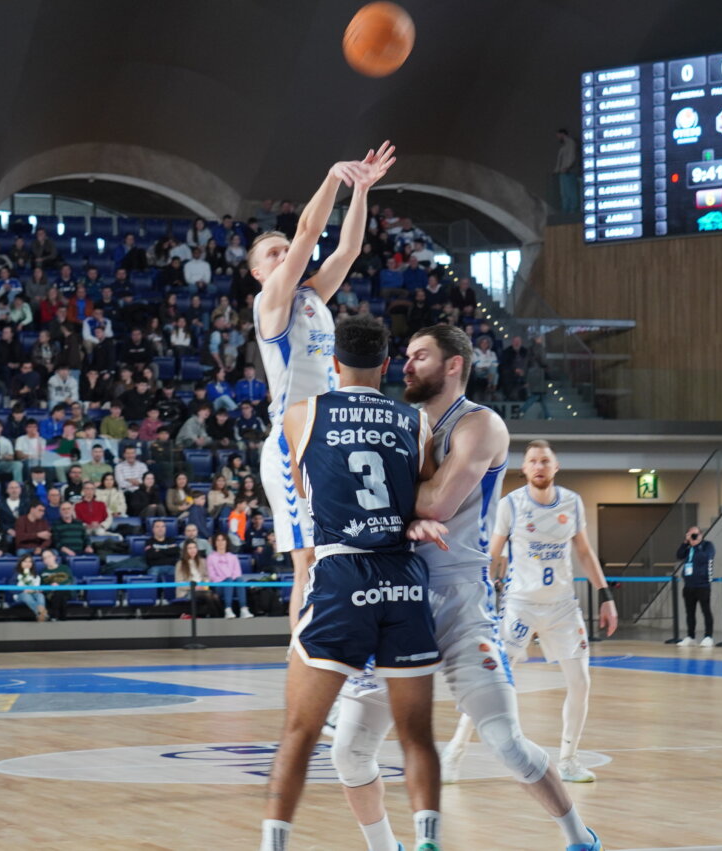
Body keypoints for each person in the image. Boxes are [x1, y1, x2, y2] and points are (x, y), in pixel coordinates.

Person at [335, 325, 600, 851]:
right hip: (393, 597)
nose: (406, 365)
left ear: (454, 364)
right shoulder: (399, 422)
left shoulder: (481, 424)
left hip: (458, 597)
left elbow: (433, 505)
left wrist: (389, 509)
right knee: (349, 751)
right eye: (405, 357)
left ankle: (579, 839)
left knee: (506, 741)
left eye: (420, 356)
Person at [261, 314, 444, 851]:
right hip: (404, 576)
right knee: (417, 737)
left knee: (299, 731)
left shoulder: (302, 413)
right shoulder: (416, 422)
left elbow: (302, 484)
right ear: (387, 366)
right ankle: (427, 841)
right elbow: (422, 493)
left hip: (342, 572)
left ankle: (273, 845)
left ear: (333, 363)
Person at [252, 142, 396, 637]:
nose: (283, 255)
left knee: (339, 551)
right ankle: (303, 657)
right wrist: (334, 175)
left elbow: (349, 249)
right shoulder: (271, 300)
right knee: (308, 558)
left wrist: (361, 191)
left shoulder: (312, 295)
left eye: (282, 248)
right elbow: (309, 232)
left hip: (328, 438)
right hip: (292, 442)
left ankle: (342, 647)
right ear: (258, 273)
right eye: (273, 253)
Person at [483, 440, 618, 784]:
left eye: (545, 460)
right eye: (533, 461)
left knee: (581, 682)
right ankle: (455, 751)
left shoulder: (572, 502)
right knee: (493, 680)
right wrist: (481, 595)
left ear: (555, 467)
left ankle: (569, 760)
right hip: (520, 605)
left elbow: (585, 553)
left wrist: (605, 595)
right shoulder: (510, 504)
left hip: (562, 606)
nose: (539, 466)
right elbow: (494, 555)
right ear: (524, 469)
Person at [675, 525, 716, 647]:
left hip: (702, 585)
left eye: (695, 534)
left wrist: (696, 545)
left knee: (706, 610)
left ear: (701, 535)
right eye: (690, 534)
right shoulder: (688, 547)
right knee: (690, 612)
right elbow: (679, 555)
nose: (693, 537)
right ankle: (690, 636)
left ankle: (708, 636)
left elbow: (705, 558)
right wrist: (685, 543)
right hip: (689, 585)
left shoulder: (707, 546)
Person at [207, 532, 252, 618]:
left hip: (233, 584)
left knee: (239, 580)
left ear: (227, 542)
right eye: (218, 540)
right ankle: (227, 609)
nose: (220, 542)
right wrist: (227, 579)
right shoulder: (211, 557)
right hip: (219, 586)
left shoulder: (233, 557)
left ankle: (243, 609)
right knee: (229, 580)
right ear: (214, 543)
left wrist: (230, 579)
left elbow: (237, 573)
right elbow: (212, 576)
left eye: (223, 540)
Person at [12, 554, 48, 622]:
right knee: (26, 596)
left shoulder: (35, 575)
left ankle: (40, 614)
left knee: (40, 596)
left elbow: (38, 586)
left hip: (34, 592)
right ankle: (41, 613)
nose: (27, 564)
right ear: (20, 563)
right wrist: (23, 590)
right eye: (25, 561)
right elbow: (12, 588)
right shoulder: (16, 574)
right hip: (21, 594)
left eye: (29, 562)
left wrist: (37, 590)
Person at [39, 548, 73, 621]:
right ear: (43, 561)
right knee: (58, 594)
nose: (47, 559)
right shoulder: (42, 572)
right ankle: (63, 618)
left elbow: (70, 580)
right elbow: (41, 586)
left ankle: (55, 616)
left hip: (65, 590)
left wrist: (59, 585)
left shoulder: (65, 568)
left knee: (60, 592)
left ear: (54, 557)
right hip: (50, 593)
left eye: (49, 556)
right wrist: (50, 587)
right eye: (44, 558)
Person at [554, 129, 578, 213]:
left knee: (570, 191)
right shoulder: (563, 147)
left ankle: (572, 210)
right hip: (562, 172)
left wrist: (568, 167)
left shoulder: (571, 143)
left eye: (558, 135)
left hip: (568, 172)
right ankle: (565, 211)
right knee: (564, 193)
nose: (558, 138)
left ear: (562, 134)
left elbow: (572, 156)